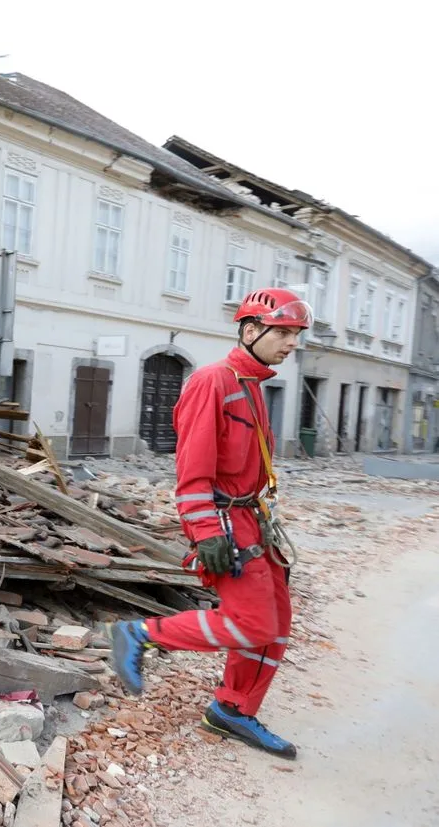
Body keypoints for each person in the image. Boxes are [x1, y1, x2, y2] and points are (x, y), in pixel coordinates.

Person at [110, 287, 313, 760]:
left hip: (252, 517)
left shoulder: (253, 386)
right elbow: (192, 474)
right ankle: (138, 634)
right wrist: (206, 534)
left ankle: (232, 710)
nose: (291, 343)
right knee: (251, 623)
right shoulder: (211, 382)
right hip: (225, 521)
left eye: (295, 334)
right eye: (283, 332)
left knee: (276, 623)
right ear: (249, 330)